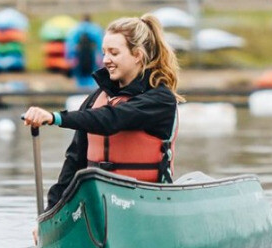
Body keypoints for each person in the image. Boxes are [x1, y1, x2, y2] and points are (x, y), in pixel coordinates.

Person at [22, 14, 183, 214]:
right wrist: (51, 213)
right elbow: (74, 161)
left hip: (150, 205)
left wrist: (56, 117)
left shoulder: (160, 99)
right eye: (104, 52)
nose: (106, 60)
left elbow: (112, 119)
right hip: (101, 206)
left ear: (137, 55)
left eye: (114, 53)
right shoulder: (96, 98)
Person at [66, 14, 105, 88]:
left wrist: (70, 57)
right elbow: (100, 45)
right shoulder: (95, 29)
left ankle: (80, 89)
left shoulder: (75, 29)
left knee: (79, 76)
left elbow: (70, 46)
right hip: (91, 56)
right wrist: (101, 58)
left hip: (79, 57)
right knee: (92, 76)